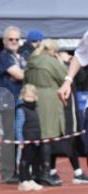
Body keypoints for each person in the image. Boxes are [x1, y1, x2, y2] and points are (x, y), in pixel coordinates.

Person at [24, 38, 66, 186]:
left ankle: (35, 171)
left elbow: (25, 80)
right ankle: (46, 172)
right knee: (47, 136)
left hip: (33, 97)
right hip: (49, 100)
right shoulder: (51, 61)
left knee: (36, 137)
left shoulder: (31, 60)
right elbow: (65, 77)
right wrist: (60, 61)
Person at [0, 25, 25, 183]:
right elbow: (20, 74)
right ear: (4, 40)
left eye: (16, 39)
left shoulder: (19, 56)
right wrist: (23, 74)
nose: (14, 41)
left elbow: (22, 74)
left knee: (16, 137)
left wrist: (22, 74)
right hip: (8, 101)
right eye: (10, 39)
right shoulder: (4, 56)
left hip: (18, 101)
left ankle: (14, 169)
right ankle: (7, 172)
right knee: (9, 137)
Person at [15, 84, 44, 192]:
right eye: (28, 97)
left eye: (32, 97)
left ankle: (30, 178)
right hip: (26, 139)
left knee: (32, 160)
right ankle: (23, 180)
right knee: (24, 160)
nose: (30, 100)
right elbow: (18, 126)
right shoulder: (21, 109)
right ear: (22, 96)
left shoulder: (35, 109)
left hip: (35, 139)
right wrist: (20, 140)